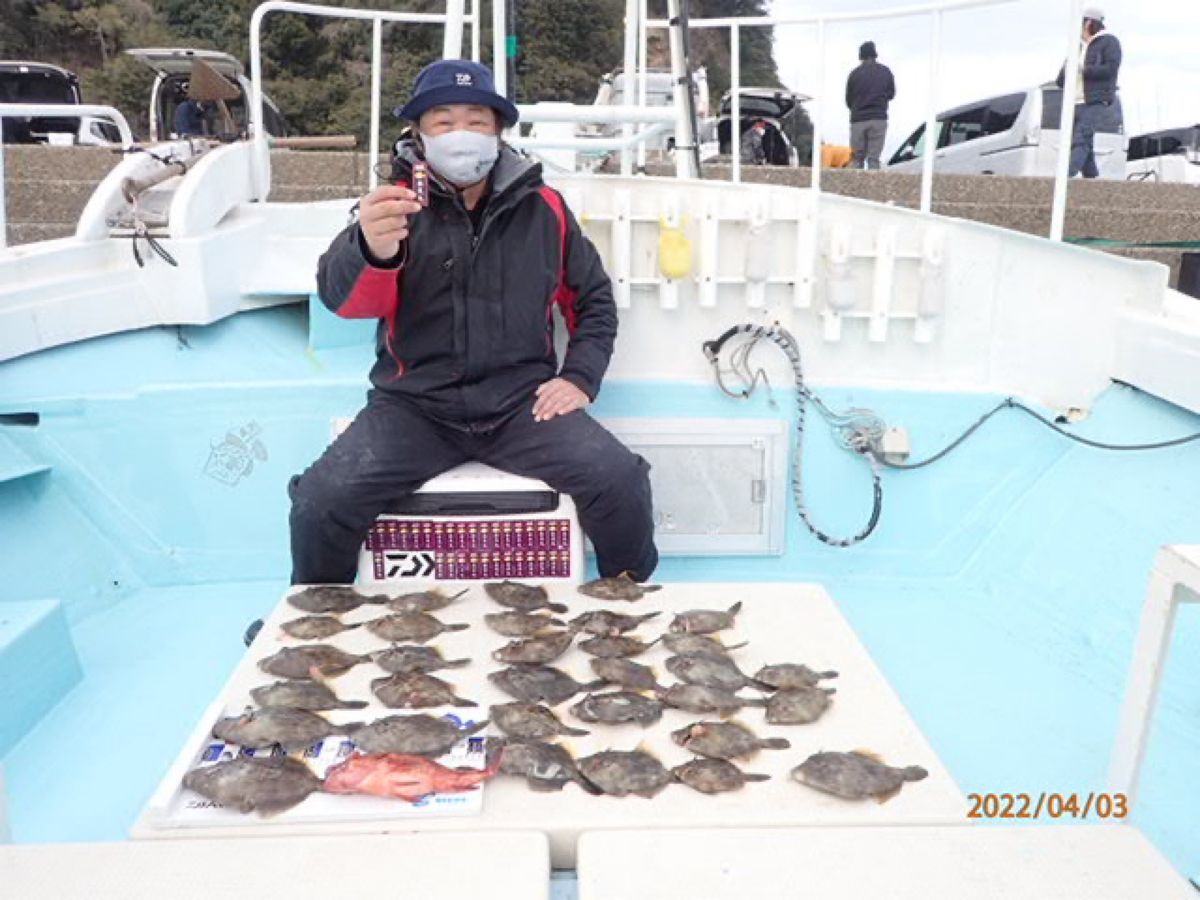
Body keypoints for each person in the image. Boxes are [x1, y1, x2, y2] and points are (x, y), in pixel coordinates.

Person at [289, 59, 658, 587]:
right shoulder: (390, 207)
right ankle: (316, 619)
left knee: (619, 481)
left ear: (499, 132)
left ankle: (629, 611)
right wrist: (372, 249)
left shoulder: (546, 208)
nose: (461, 133)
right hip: (413, 406)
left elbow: (593, 299)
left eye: (477, 120)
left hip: (520, 405)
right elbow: (344, 302)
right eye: (442, 120)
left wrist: (579, 377)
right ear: (418, 132)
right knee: (321, 500)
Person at [1055, 6, 1122, 179]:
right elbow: (1060, 80)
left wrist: (1083, 69)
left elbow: (1110, 70)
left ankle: (1065, 175)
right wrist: (1067, 70)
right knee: (1082, 143)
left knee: (1081, 138)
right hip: (1073, 102)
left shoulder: (1109, 42)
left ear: (1089, 23)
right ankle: (1091, 180)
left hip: (1094, 100)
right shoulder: (1077, 47)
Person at [845, 41, 895, 170]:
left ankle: (855, 188)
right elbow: (891, 93)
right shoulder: (885, 72)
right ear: (874, 54)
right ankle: (873, 187)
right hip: (878, 118)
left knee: (856, 159)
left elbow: (848, 100)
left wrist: (857, 107)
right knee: (873, 158)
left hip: (858, 120)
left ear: (860, 56)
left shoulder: (854, 74)